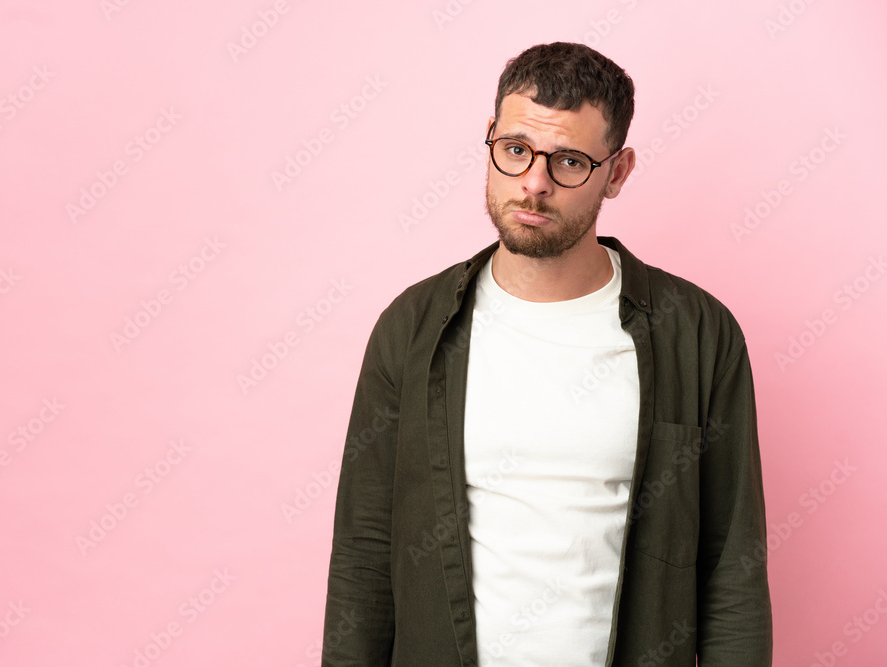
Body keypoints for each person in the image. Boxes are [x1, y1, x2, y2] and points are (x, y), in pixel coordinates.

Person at [320, 42, 772, 666]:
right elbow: (364, 554)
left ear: (617, 171)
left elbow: (731, 568)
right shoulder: (414, 328)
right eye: (515, 151)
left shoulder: (697, 334)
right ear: (490, 138)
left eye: (569, 162)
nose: (534, 185)